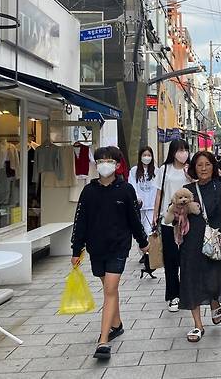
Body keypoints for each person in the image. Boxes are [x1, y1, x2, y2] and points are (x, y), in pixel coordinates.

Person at [71, 146, 149, 361]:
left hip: (118, 247)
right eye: (101, 160)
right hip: (96, 248)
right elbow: (80, 221)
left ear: (117, 164)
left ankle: (103, 340)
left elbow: (134, 219)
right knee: (108, 289)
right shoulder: (88, 191)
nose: (105, 164)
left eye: (109, 160)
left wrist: (143, 242)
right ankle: (116, 324)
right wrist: (76, 249)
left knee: (110, 289)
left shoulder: (125, 190)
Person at [180, 151, 221, 343]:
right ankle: (198, 325)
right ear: (193, 168)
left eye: (207, 164)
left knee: (213, 279)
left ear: (213, 167)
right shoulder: (186, 190)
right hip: (191, 242)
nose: (204, 168)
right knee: (191, 280)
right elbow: (177, 213)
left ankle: (215, 300)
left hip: (214, 242)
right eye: (199, 165)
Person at [153, 139, 192, 312]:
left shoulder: (189, 169)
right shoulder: (164, 169)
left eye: (185, 149)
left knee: (187, 259)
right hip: (168, 220)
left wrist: (191, 176)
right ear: (173, 151)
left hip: (188, 221)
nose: (183, 153)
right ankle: (173, 296)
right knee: (170, 259)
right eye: (180, 150)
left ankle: (186, 292)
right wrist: (155, 214)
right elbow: (159, 193)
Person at [128, 146, 160, 236]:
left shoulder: (156, 171)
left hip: (151, 207)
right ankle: (141, 249)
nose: (146, 157)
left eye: (149, 155)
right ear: (140, 156)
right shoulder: (134, 171)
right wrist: (137, 197)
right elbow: (132, 185)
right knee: (138, 231)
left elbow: (158, 189)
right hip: (138, 207)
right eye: (144, 155)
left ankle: (149, 249)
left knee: (149, 231)